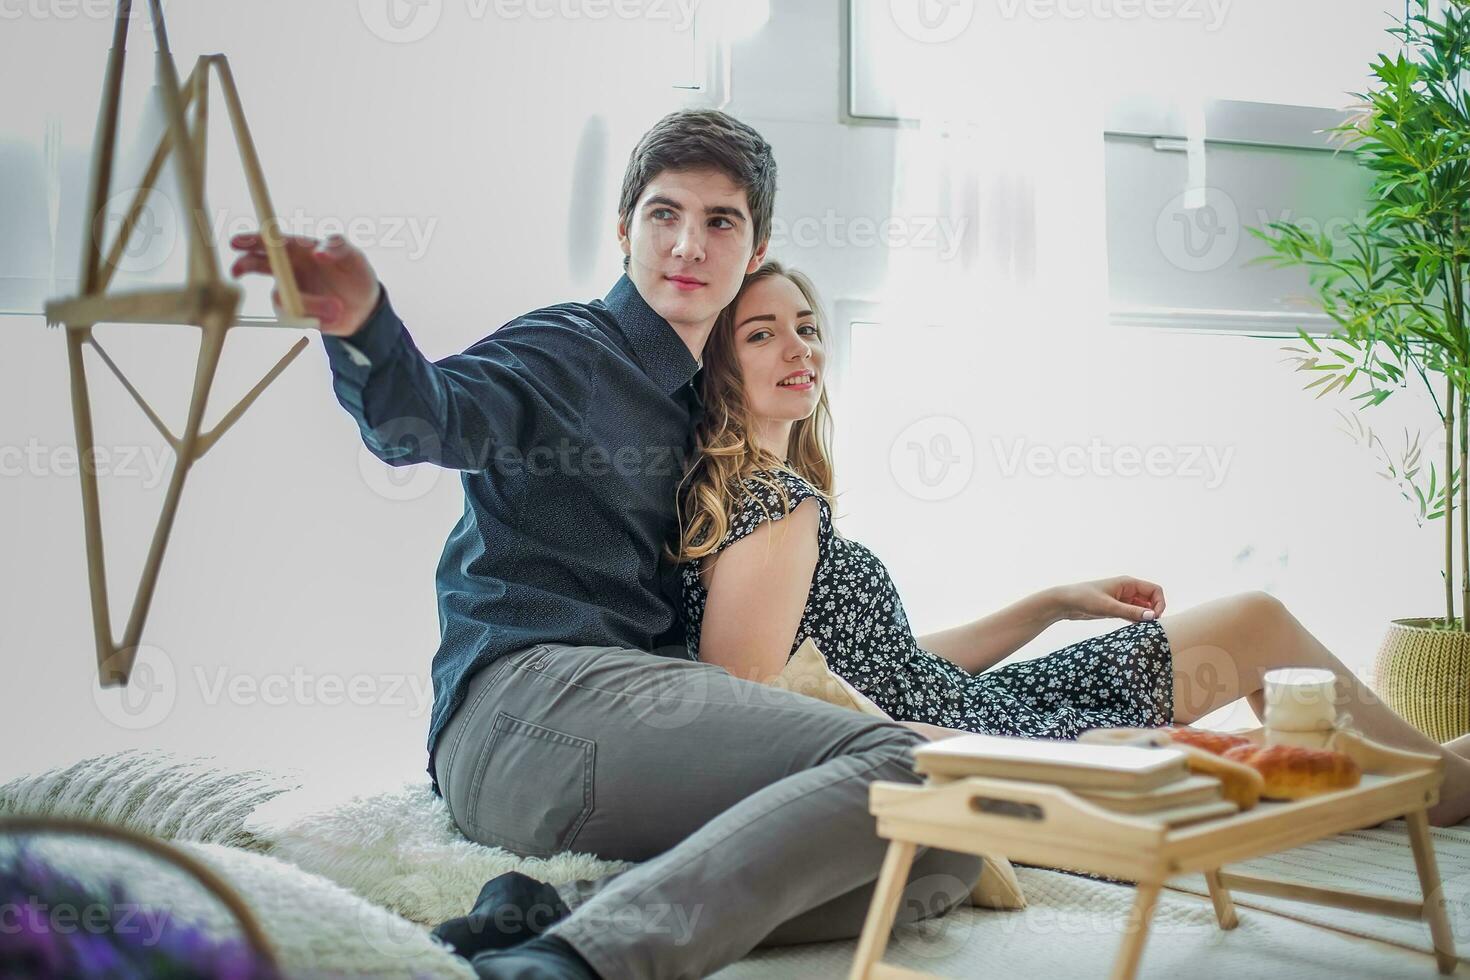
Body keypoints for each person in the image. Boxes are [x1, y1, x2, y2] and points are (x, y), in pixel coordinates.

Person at [229, 109, 981, 980]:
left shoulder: (713, 411)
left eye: (720, 222)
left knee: (943, 850)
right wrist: (362, 327)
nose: (689, 246)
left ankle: (546, 917)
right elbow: (418, 421)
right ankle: (567, 968)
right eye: (665, 215)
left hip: (629, 737)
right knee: (910, 767)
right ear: (624, 231)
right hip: (525, 707)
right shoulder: (568, 350)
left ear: (755, 246)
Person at [675, 259, 1470, 829]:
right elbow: (753, 709)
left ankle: (1439, 778)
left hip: (992, 705)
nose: (799, 349)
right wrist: (981, 750)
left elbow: (877, 664)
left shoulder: (778, 495)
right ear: (718, 366)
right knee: (1302, 730)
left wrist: (1051, 605)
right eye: (761, 334)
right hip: (988, 739)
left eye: (807, 329)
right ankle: (1443, 787)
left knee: (1263, 638)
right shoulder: (773, 504)